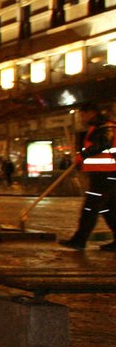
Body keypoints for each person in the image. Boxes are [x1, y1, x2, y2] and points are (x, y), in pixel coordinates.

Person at [60, 102, 116, 251]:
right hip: (106, 174)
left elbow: (103, 144)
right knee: (108, 208)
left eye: (83, 114)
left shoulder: (105, 127)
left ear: (92, 112)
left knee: (91, 207)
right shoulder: (100, 126)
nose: (81, 118)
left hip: (105, 174)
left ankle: (79, 240)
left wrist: (82, 155)